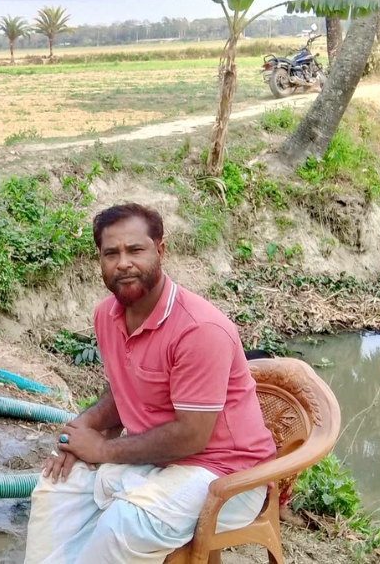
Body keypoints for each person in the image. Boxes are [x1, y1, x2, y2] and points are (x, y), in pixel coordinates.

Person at [24, 204, 276, 564]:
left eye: (135, 250)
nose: (123, 263)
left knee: (126, 524)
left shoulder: (199, 329)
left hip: (226, 474)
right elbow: (124, 390)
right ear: (99, 260)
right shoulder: (106, 315)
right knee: (58, 483)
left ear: (160, 250)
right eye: (111, 253)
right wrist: (80, 430)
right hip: (156, 460)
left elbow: (191, 436)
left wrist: (103, 449)